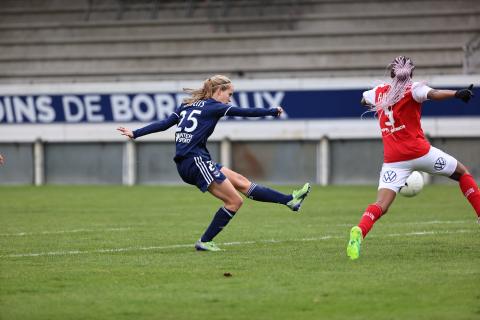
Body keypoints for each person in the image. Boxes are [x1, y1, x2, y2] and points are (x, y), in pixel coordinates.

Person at [118, 75, 310, 252]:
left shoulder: (187, 106)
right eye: (230, 94)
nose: (230, 99)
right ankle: (205, 241)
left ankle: (289, 200)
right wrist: (271, 111)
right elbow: (244, 111)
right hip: (195, 161)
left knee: (241, 181)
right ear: (219, 91)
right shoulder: (214, 106)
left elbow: (163, 124)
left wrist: (135, 133)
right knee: (234, 201)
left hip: (192, 162)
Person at [346, 56, 478, 260]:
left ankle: (359, 231)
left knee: (381, 205)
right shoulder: (414, 89)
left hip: (394, 160)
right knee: (462, 173)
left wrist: (377, 102)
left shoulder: (379, 92)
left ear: (391, 73)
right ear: (411, 72)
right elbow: (433, 94)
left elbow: (363, 99)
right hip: (421, 153)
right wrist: (457, 94)